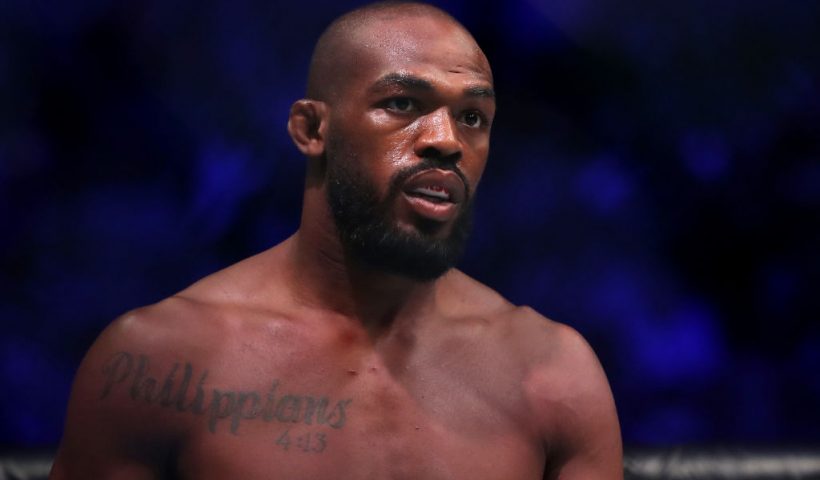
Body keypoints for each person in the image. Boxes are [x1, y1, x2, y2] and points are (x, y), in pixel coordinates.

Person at [50, 2, 623, 478]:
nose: (446, 141)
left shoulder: (553, 374)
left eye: (473, 117)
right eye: (403, 104)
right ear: (311, 129)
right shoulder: (160, 361)